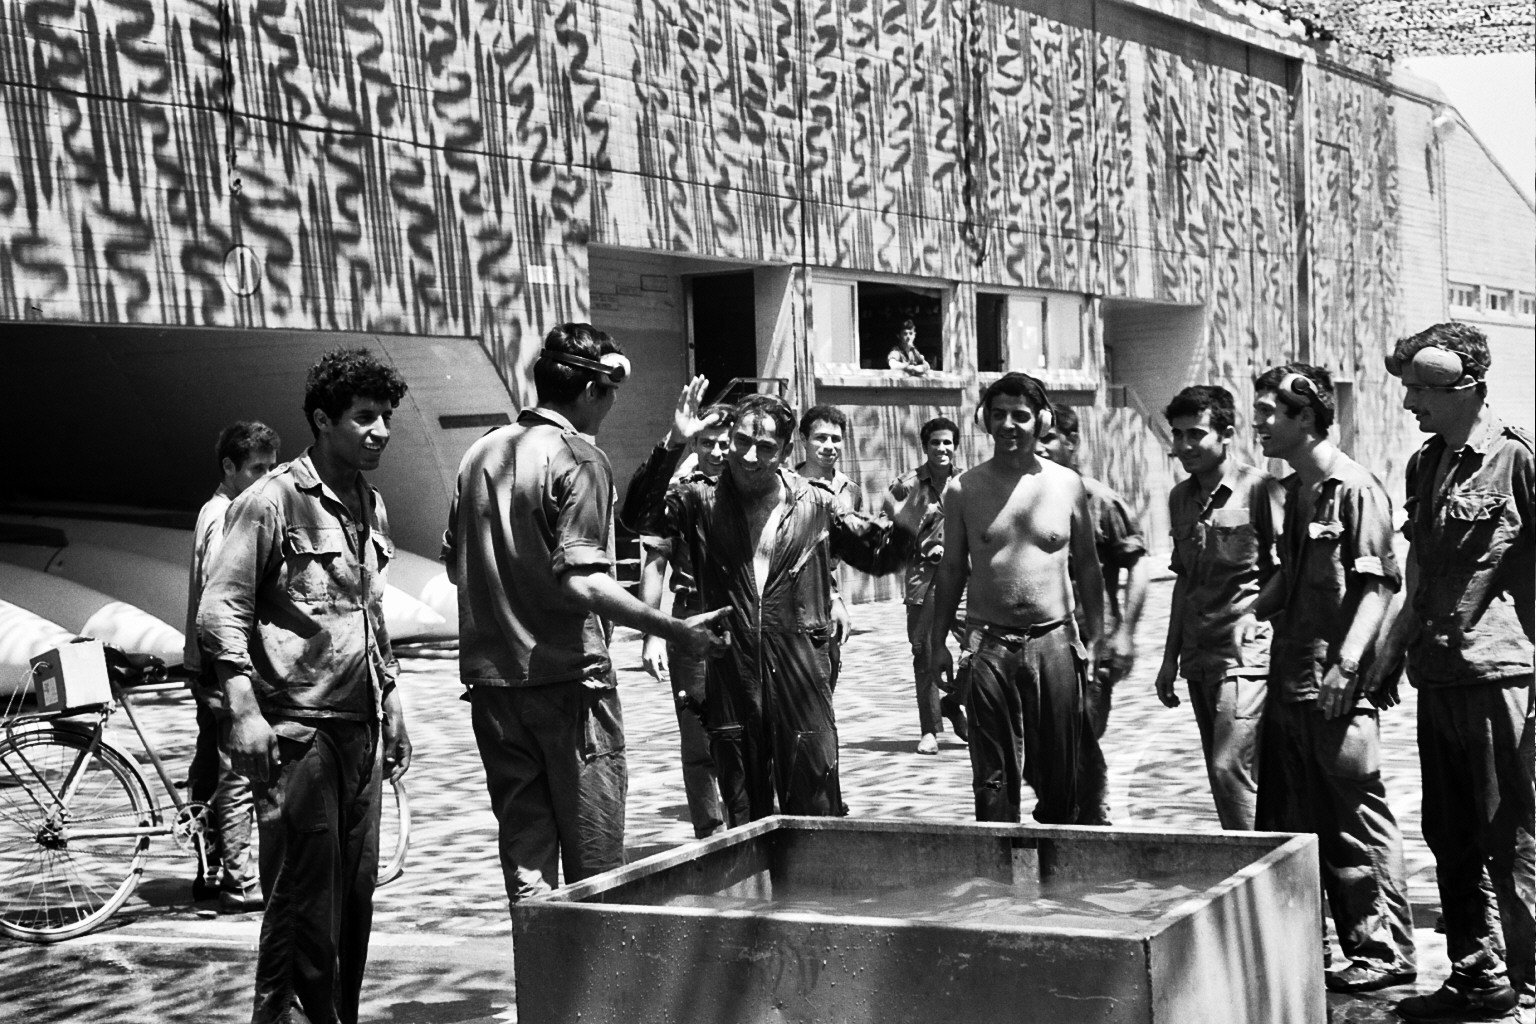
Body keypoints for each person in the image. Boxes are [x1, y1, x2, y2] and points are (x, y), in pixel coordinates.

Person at [443, 325, 726, 908]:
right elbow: (582, 579)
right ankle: (590, 969)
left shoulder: (480, 453)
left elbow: (455, 565)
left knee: (528, 870)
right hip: (570, 687)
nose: (613, 404)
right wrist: (671, 628)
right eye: (612, 392)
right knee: (596, 872)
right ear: (594, 389)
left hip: (494, 690)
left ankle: (541, 967)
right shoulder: (579, 458)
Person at [199, 349, 413, 1024]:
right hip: (298, 729)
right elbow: (221, 607)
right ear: (322, 420)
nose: (380, 431)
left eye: (386, 417)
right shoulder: (271, 501)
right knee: (301, 908)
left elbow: (368, 611)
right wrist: (242, 709)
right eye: (364, 418)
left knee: (353, 903)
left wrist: (392, 697)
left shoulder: (369, 504)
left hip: (361, 727)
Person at [623, 391, 919, 826]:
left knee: (815, 811)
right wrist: (673, 443)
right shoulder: (700, 500)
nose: (749, 456)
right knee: (745, 814)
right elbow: (637, 516)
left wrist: (907, 523)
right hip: (732, 676)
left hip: (801, 678)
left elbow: (879, 557)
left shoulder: (817, 504)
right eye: (742, 441)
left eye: (765, 447)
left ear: (785, 450)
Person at [1367, 323, 1533, 1024]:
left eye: (1422, 390)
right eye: (1407, 388)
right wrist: (1387, 656)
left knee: (1512, 837)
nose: (1410, 403)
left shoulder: (1517, 458)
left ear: (1470, 389)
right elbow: (1420, 573)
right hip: (1438, 675)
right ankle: (1478, 977)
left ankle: (1528, 982)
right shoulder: (1424, 464)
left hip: (1499, 677)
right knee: (1449, 832)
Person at [1248, 363, 1417, 995]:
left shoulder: (1356, 489)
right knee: (1298, 818)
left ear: (1306, 417)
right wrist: (1247, 611)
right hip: (1293, 680)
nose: (1259, 423)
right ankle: (1323, 945)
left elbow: (1378, 585)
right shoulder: (1298, 491)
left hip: (1335, 685)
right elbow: (1292, 579)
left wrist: (1347, 668)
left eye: (1269, 412)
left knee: (1354, 818)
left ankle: (1385, 950)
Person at [925, 372, 1109, 826]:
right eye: (999, 414)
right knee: (992, 779)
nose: (1008, 425)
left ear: (1041, 421)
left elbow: (1088, 565)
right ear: (985, 420)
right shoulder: (963, 489)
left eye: (1021, 415)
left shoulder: (1067, 484)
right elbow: (952, 569)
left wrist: (1099, 637)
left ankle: (1056, 860)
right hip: (987, 644)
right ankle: (998, 865)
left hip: (1055, 642)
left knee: (1061, 774)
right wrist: (936, 643)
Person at [1154, 386, 1277, 830]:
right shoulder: (1179, 498)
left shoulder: (1261, 489)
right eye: (1178, 434)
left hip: (1247, 658)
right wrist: (1169, 660)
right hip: (1199, 658)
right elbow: (1184, 581)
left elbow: (1286, 571)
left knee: (1230, 767)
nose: (1184, 445)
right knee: (1222, 773)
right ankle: (1253, 857)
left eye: (1196, 434)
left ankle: (1259, 864)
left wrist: (1258, 618)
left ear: (1226, 433)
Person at [184, 420, 279, 912]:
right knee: (237, 772)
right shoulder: (227, 516)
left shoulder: (212, 510)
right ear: (229, 467)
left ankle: (210, 867)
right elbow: (223, 598)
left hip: (201, 661)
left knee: (209, 767)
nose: (266, 478)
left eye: (271, 468)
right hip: (221, 664)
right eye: (257, 469)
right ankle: (241, 880)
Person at [638, 405, 735, 839]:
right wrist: (653, 634)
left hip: (745, 620)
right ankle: (709, 832)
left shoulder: (755, 490)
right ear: (695, 443)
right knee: (697, 734)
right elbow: (655, 565)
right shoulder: (677, 496)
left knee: (749, 728)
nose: (716, 451)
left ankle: (750, 823)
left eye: (725, 443)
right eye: (707, 442)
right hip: (692, 618)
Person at [1036, 401, 1149, 739]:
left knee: (1082, 739)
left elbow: (1137, 565)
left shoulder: (1100, 502)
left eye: (1049, 438)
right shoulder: (1023, 503)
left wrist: (1126, 632)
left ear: (1071, 441)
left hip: (1089, 642)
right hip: (1037, 642)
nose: (1039, 447)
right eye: (1034, 438)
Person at [882, 415, 964, 755]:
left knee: (982, 645)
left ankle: (954, 702)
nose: (941, 448)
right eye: (935, 443)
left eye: (947, 443)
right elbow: (887, 524)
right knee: (925, 653)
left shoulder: (968, 482)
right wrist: (917, 534)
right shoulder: (908, 484)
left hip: (963, 579)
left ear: (955, 447)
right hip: (923, 579)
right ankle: (930, 729)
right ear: (925, 447)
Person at [795, 403, 858, 683]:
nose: (829, 446)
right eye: (820, 438)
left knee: (827, 677)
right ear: (803, 439)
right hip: (787, 599)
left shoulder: (850, 491)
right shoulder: (785, 485)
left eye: (836, 439)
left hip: (825, 599)